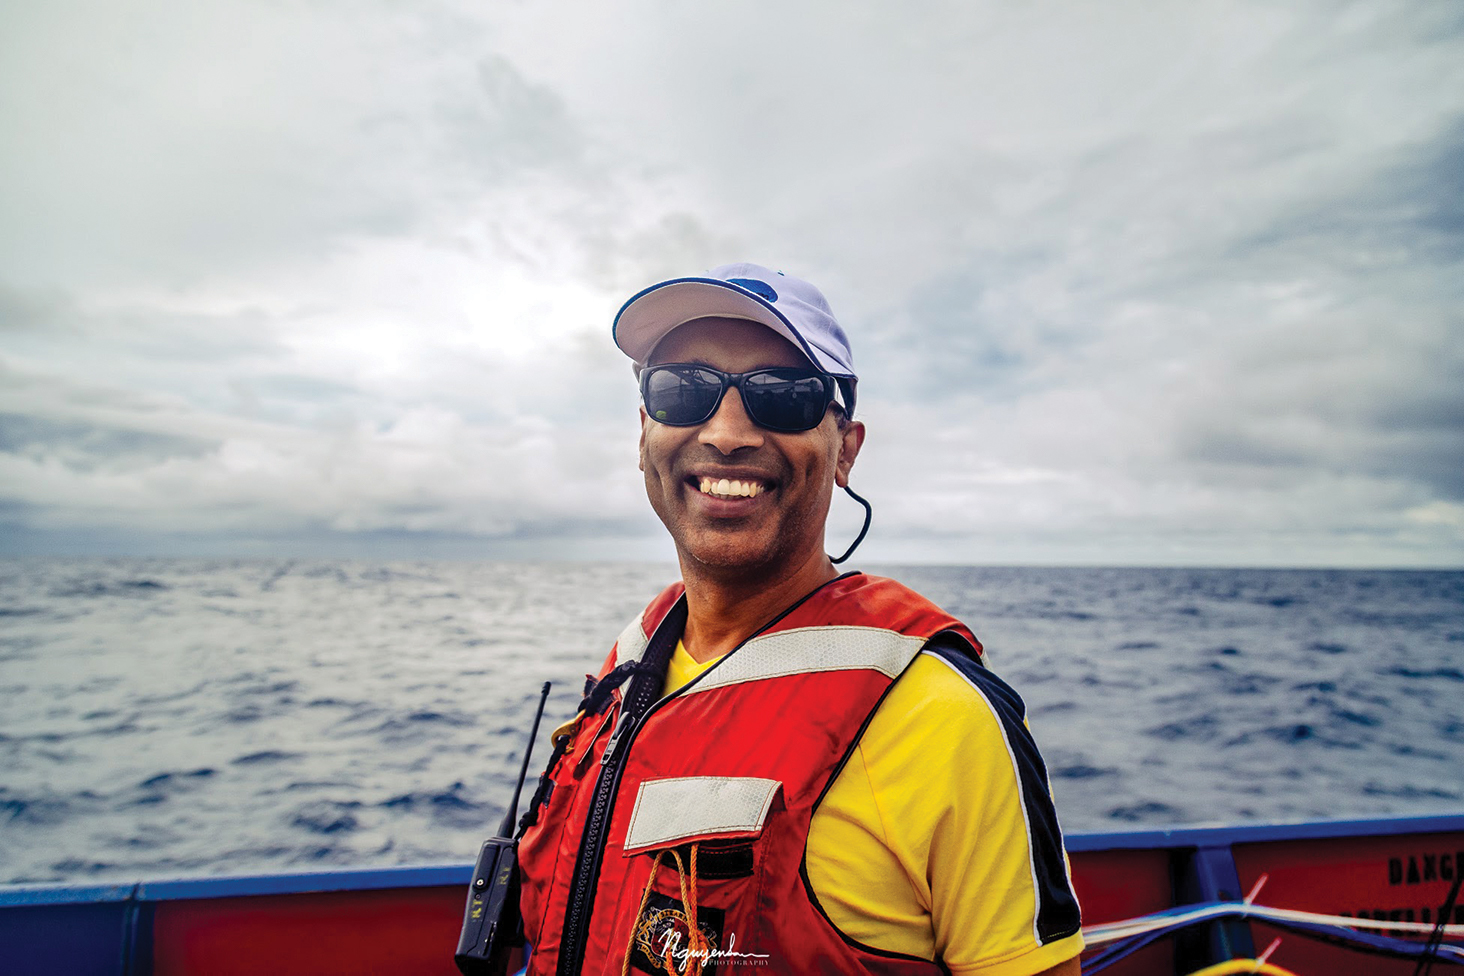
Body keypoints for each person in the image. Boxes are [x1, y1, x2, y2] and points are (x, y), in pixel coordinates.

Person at [514, 264, 1083, 976]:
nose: (724, 433)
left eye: (781, 398)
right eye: (683, 389)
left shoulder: (945, 717)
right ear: (644, 433)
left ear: (846, 449)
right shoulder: (632, 668)